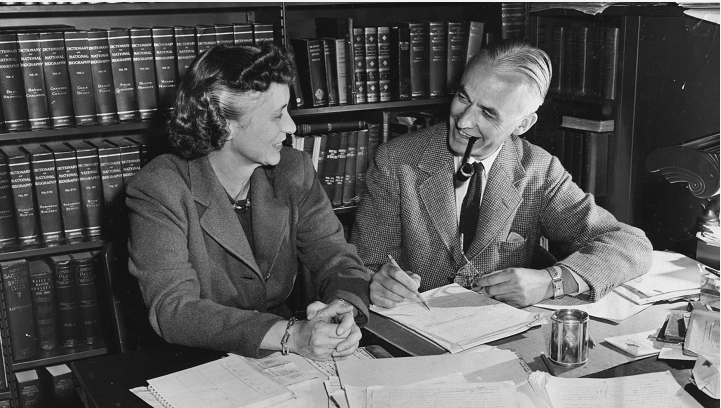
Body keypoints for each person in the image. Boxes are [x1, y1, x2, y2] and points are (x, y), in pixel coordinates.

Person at [351, 40, 653, 309]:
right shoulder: (396, 161)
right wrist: (377, 282)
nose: (464, 121)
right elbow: (363, 267)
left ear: (523, 124)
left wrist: (553, 281)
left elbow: (629, 244)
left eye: (488, 113)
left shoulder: (538, 170)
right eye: (463, 97)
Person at [126, 43, 370, 360]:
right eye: (277, 115)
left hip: (282, 356)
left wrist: (343, 310)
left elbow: (337, 258)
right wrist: (292, 335)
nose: (291, 127)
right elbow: (174, 309)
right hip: (194, 360)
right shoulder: (159, 188)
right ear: (225, 125)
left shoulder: (293, 170)